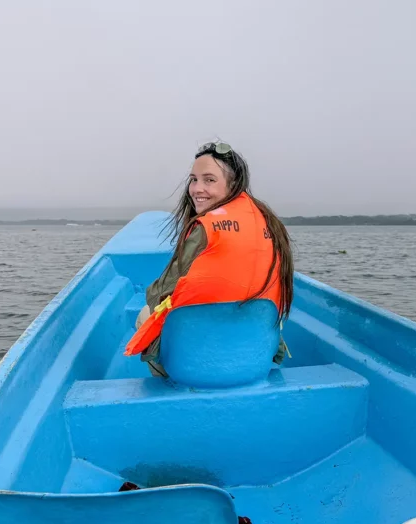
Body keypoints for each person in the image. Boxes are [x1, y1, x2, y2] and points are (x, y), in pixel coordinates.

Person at [124, 141, 294, 378]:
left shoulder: (206, 228)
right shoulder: (271, 225)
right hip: (253, 365)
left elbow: (159, 295)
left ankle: (173, 389)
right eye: (193, 179)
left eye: (209, 180)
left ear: (233, 184)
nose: (196, 188)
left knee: (145, 313)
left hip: (195, 369)